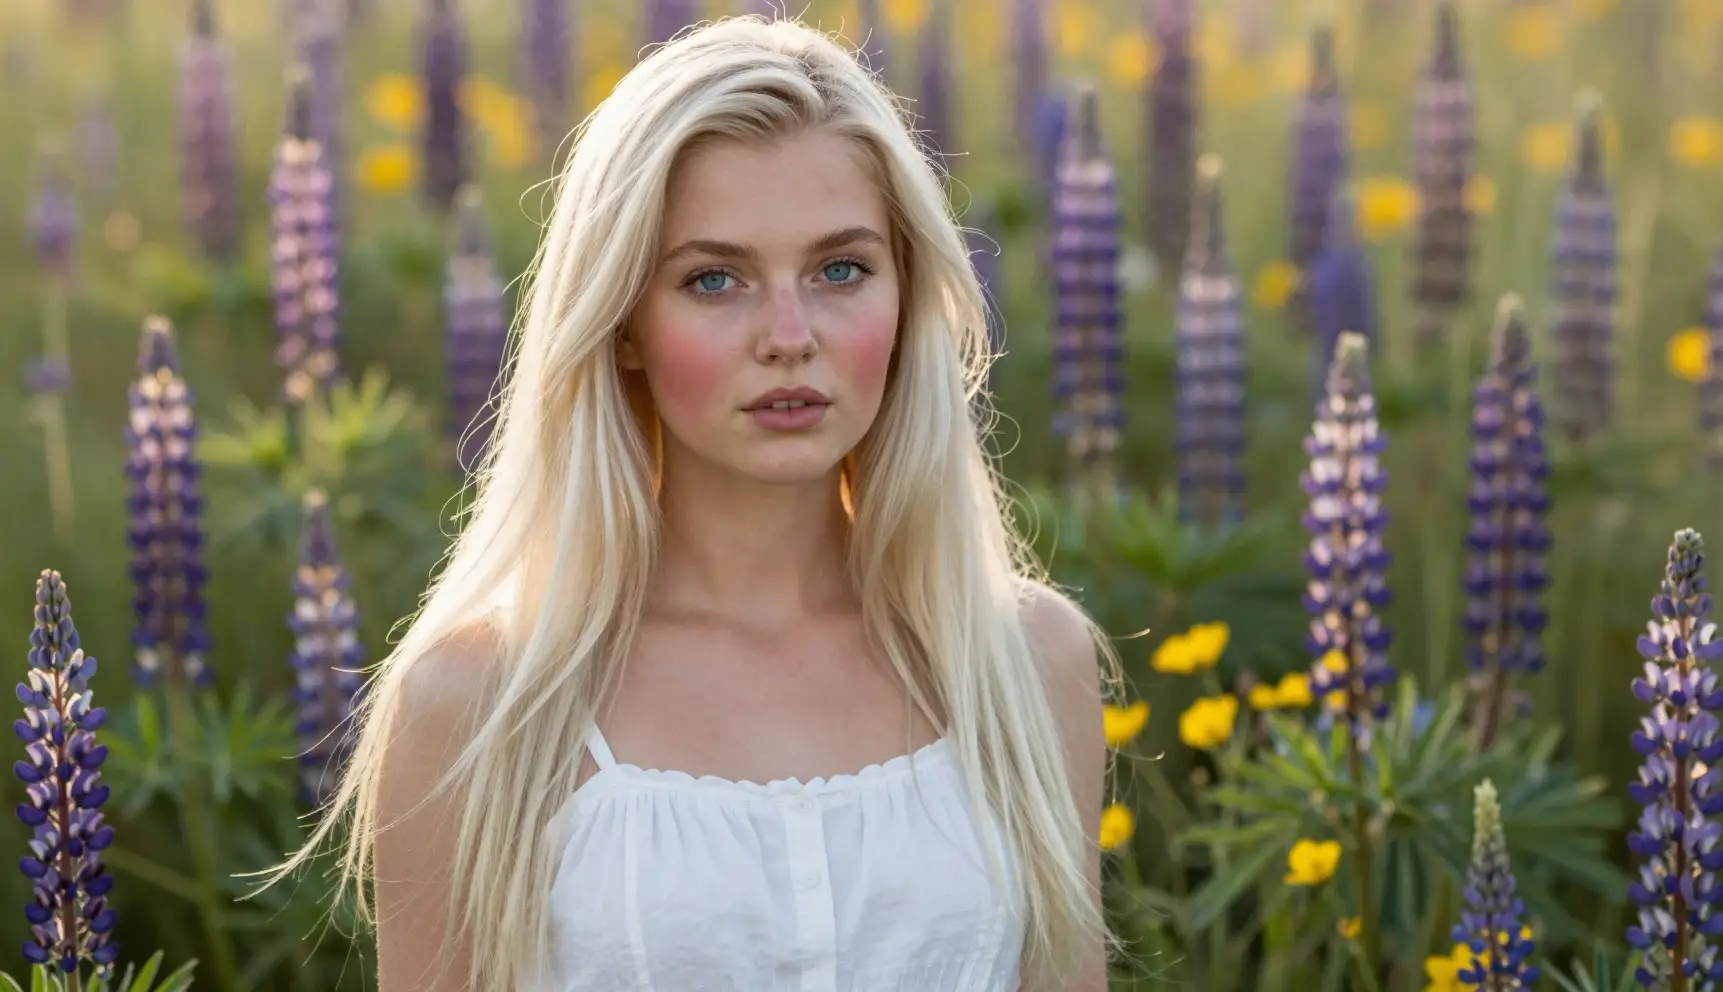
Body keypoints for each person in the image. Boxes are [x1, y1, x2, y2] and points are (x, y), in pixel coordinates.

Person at [258, 15, 1119, 992]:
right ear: (623, 321)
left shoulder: (1024, 662)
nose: (790, 335)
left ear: (907, 293)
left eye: (841, 268)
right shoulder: (482, 705)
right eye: (715, 278)